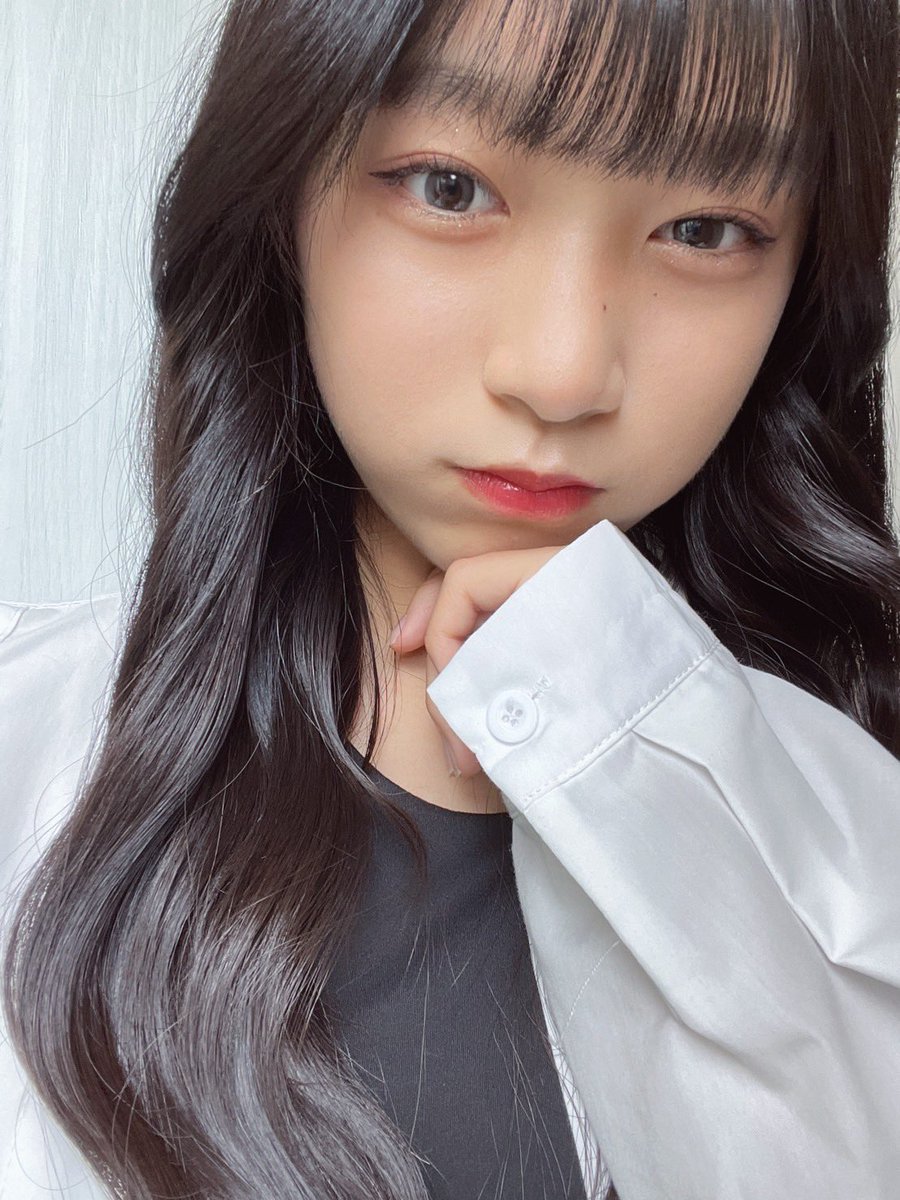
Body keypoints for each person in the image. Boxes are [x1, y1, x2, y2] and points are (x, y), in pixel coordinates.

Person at [2, 0, 899, 1196]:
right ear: (282, 196)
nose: (562, 373)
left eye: (704, 229)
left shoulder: (854, 828)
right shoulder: (23, 747)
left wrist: (645, 750)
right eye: (449, 188)